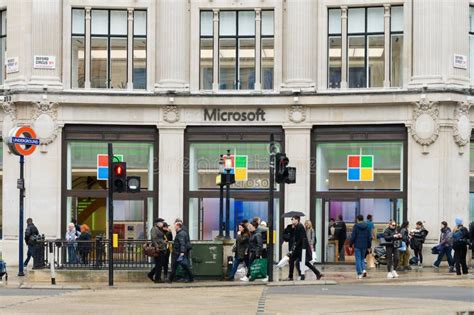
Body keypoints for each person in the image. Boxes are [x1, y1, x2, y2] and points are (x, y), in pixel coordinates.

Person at [288, 216, 322, 281]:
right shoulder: (296, 227)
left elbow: (301, 238)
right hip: (299, 249)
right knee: (294, 260)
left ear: (297, 220)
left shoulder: (300, 227)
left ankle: (298, 275)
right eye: (291, 219)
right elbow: (294, 237)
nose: (292, 221)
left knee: (301, 262)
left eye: (293, 219)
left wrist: (295, 246)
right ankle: (315, 273)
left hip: (301, 249)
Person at [350, 215, 371, 279]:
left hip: (357, 245)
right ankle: (364, 270)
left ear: (357, 219)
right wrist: (369, 246)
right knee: (362, 259)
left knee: (358, 259)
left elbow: (353, 236)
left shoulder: (356, 226)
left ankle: (359, 273)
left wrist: (351, 244)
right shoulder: (367, 226)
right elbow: (369, 237)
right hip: (364, 245)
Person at [148, 218, 166, 283]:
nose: (162, 223)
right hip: (158, 249)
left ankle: (152, 274)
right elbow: (153, 238)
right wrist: (157, 247)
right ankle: (157, 279)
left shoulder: (158, 229)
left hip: (161, 248)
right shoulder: (154, 229)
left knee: (160, 264)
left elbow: (159, 238)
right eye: (161, 222)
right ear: (157, 223)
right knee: (159, 264)